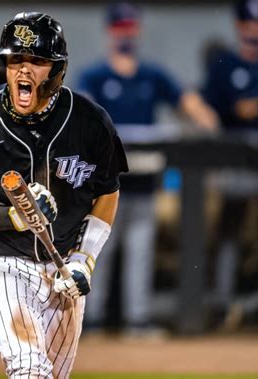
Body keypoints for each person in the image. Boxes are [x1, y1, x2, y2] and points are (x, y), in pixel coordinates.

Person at [0, 11, 128, 377]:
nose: (23, 70)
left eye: (37, 61)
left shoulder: (91, 122)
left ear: (56, 70)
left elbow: (107, 192)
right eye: (15, 60)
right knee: (27, 366)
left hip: (63, 265)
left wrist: (85, 258)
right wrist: (11, 216)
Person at [77, 2, 219, 335]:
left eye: (130, 28)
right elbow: (80, 113)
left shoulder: (151, 75)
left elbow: (189, 104)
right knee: (98, 250)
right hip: (105, 185)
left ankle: (136, 319)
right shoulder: (96, 75)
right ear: (110, 31)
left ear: (137, 30)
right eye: (119, 28)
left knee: (141, 251)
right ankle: (90, 319)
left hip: (143, 181)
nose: (125, 34)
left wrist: (208, 119)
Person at [202, 0, 258, 327]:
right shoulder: (224, 63)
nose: (255, 29)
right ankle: (222, 303)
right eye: (250, 23)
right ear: (240, 26)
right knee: (229, 231)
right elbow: (234, 111)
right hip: (234, 160)